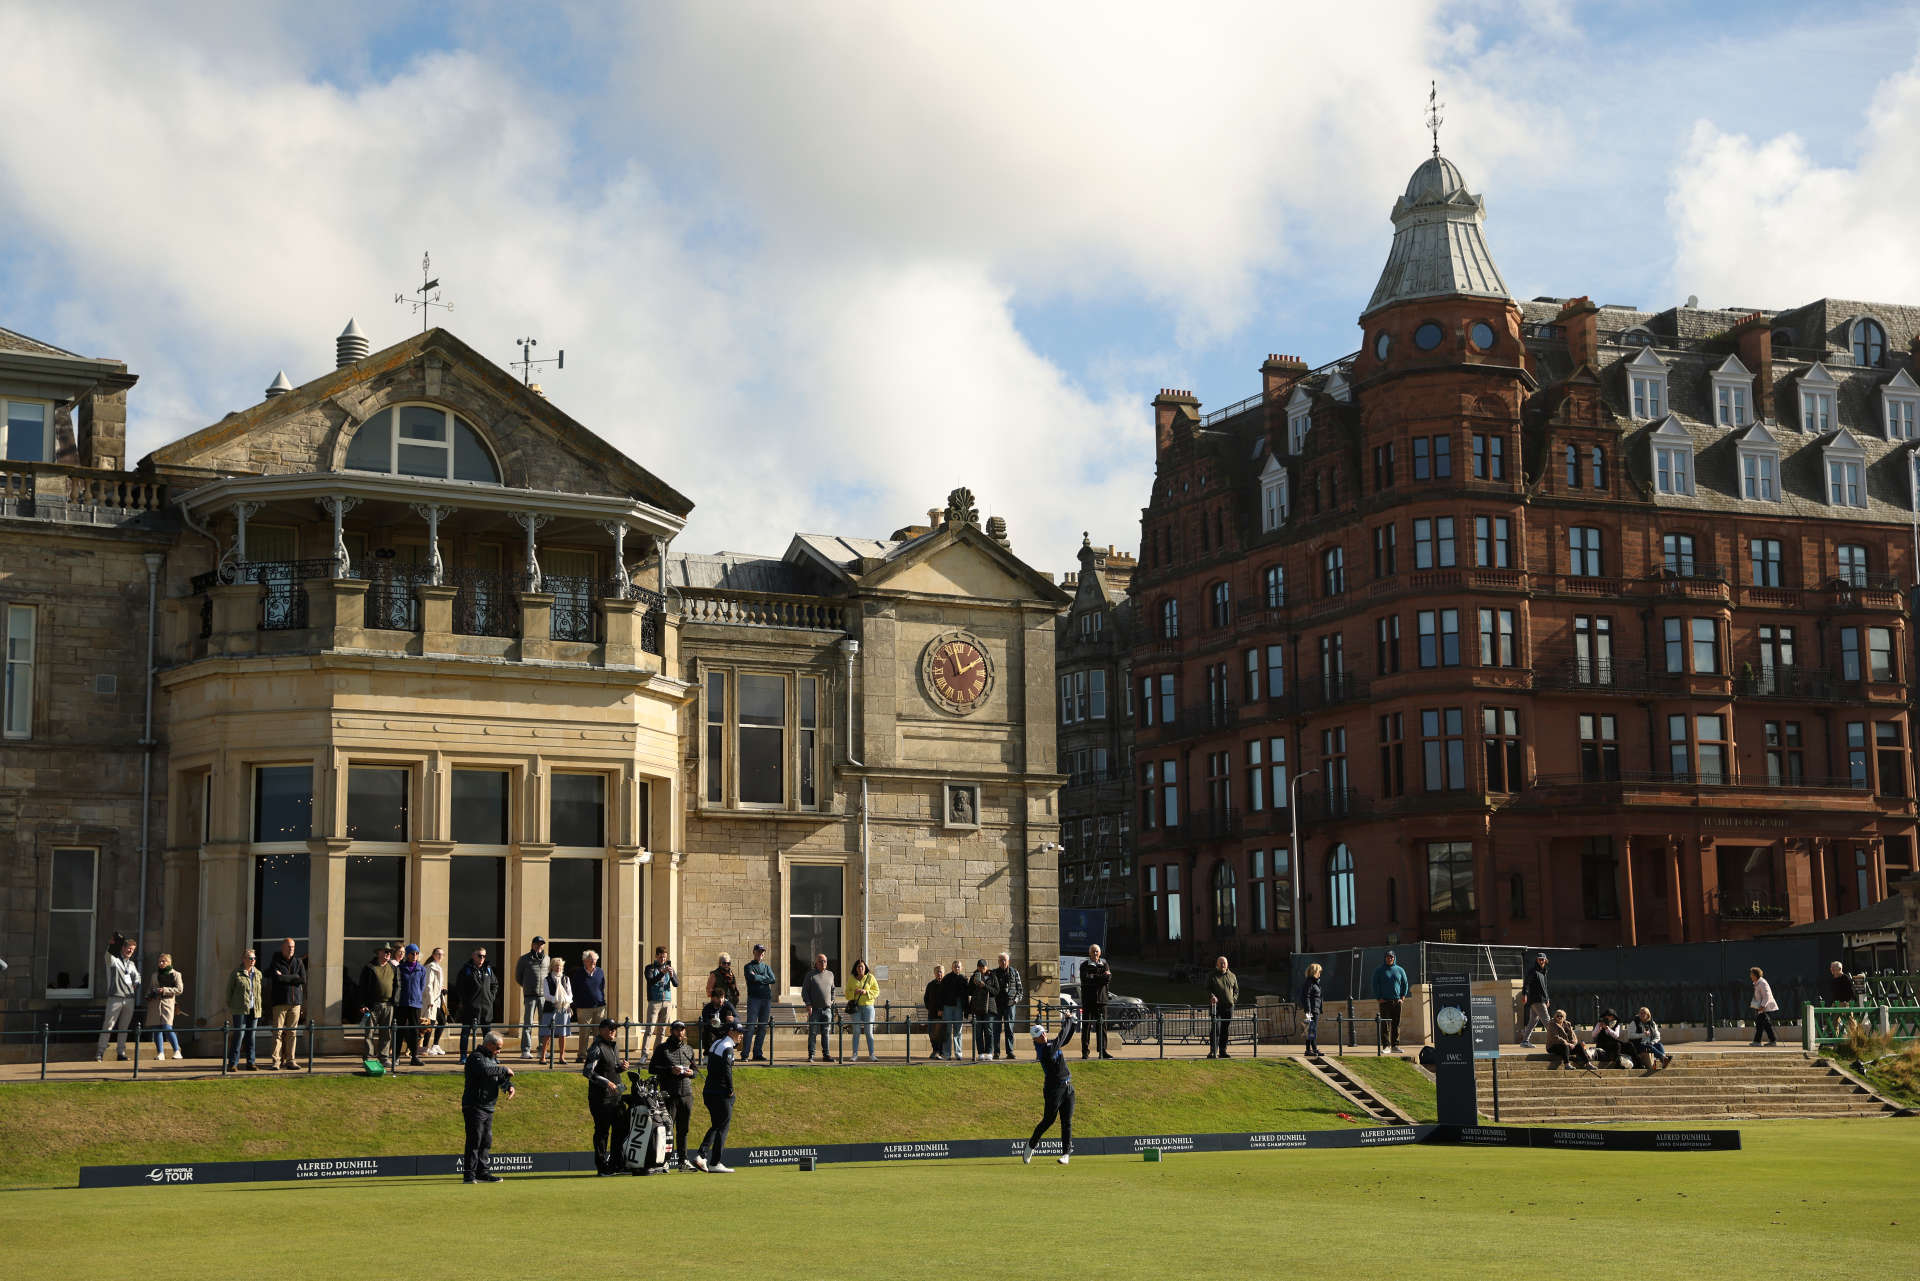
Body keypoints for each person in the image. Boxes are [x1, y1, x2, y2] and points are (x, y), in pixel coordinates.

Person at [1022, 1010, 1079, 1166]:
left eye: (1044, 1033)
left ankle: (1066, 1154)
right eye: (1040, 1035)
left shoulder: (1049, 1044)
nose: (1044, 1036)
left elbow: (1064, 1039)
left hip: (1068, 1086)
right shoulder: (1045, 1050)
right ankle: (1030, 1146)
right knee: (1048, 1120)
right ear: (1035, 1039)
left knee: (1066, 1121)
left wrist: (1072, 1023)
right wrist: (1067, 1020)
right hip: (1053, 1090)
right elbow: (1061, 1038)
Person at [461, 1031, 516, 1182]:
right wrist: (504, 1069)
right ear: (489, 1044)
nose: (499, 1051)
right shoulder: (476, 1057)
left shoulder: (493, 1059)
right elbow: (485, 1071)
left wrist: (508, 1086)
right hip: (474, 1105)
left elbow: (499, 1078)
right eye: (498, 1047)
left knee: (486, 1140)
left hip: (488, 1106)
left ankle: (482, 1172)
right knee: (475, 1139)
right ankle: (469, 1174)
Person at [691, 1015, 739, 1173]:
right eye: (739, 1032)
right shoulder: (728, 1046)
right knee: (721, 1125)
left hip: (709, 1091)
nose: (741, 1035)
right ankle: (709, 1159)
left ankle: (709, 1159)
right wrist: (731, 1088)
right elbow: (726, 1069)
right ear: (731, 1032)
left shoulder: (717, 1043)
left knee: (717, 1124)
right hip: (721, 1092)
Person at [648, 1019, 698, 1170]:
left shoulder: (689, 1049)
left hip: (686, 1094)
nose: (680, 1032)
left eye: (682, 1029)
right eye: (677, 1029)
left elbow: (695, 1071)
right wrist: (670, 1070)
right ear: (671, 1031)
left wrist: (691, 1073)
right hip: (669, 1094)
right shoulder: (662, 1049)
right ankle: (664, 1162)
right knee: (667, 1130)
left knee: (684, 1130)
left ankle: (683, 1161)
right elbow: (652, 1068)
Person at [582, 1017, 629, 1174]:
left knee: (620, 1129)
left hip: (616, 1097)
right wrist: (606, 1082)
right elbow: (588, 1072)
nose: (613, 1031)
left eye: (614, 1029)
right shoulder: (596, 1047)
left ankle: (616, 1163)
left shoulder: (614, 1046)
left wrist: (621, 1068)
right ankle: (602, 1166)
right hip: (601, 1097)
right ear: (601, 1030)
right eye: (610, 1028)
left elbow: (610, 1068)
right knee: (602, 1132)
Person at [96, 936, 140, 1062]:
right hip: (115, 997)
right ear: (123, 948)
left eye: (133, 950)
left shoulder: (131, 964)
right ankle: (100, 1052)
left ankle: (121, 1052)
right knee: (108, 1025)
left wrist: (136, 983)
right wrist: (111, 945)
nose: (130, 951)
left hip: (129, 999)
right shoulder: (114, 960)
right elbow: (108, 955)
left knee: (124, 1027)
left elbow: (137, 976)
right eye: (129, 949)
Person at [266, 937, 306, 1070]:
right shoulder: (275, 961)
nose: (291, 949)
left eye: (293, 947)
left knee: (292, 1033)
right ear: (283, 948)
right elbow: (276, 978)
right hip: (280, 1002)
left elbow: (303, 980)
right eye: (289, 947)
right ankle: (276, 1061)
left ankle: (291, 1060)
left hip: (295, 1003)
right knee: (277, 1032)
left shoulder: (299, 961)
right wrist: (294, 977)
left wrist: (285, 977)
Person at [453, 947, 500, 1058]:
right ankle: (463, 1056)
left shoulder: (488, 969)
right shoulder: (466, 969)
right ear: (473, 956)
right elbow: (460, 987)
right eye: (479, 955)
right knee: (465, 1033)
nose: (482, 958)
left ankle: (489, 1057)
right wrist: (466, 1001)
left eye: (484, 956)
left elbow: (495, 984)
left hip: (486, 1008)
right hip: (470, 1008)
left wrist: (491, 997)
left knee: (488, 1035)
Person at [225, 949, 264, 1071]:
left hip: (254, 1009)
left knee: (251, 1036)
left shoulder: (258, 973)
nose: (253, 960)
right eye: (250, 958)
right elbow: (228, 992)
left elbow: (259, 992)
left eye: (254, 958)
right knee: (239, 1035)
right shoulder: (236, 973)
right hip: (240, 1009)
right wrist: (233, 1006)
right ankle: (233, 1063)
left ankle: (251, 1062)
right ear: (244, 959)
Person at [359, 943, 397, 1063]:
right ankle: (369, 1058)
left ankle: (384, 1057)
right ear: (378, 953)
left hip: (388, 1005)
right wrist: (363, 1004)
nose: (388, 954)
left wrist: (395, 1001)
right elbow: (362, 988)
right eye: (385, 951)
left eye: (389, 952)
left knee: (386, 1034)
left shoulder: (393, 968)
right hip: (372, 1006)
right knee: (369, 1033)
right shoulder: (369, 967)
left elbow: (398, 986)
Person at [515, 936, 549, 1060]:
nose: (539, 946)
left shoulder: (547, 959)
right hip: (530, 996)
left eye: (541, 944)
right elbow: (518, 977)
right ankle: (525, 1050)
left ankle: (542, 1050)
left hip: (543, 996)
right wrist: (527, 986)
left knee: (543, 1024)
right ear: (533, 945)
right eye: (537, 944)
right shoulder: (524, 959)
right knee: (528, 1023)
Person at [395, 944, 429, 1066]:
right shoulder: (400, 968)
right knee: (399, 1030)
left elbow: (421, 986)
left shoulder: (421, 969)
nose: (415, 956)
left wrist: (417, 997)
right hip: (402, 1003)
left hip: (415, 1004)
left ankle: (414, 1057)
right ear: (407, 954)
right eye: (412, 953)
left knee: (414, 1031)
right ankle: (396, 1056)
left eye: (416, 953)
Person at [742, 943, 777, 1062]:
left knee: (762, 1028)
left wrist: (759, 977)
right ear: (754, 952)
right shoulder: (748, 966)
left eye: (762, 952)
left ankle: (757, 1053)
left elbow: (773, 979)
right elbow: (752, 978)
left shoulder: (766, 967)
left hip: (766, 1000)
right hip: (754, 999)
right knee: (750, 1027)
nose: (761, 954)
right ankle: (745, 1054)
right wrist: (764, 978)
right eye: (758, 951)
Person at [147, 953, 185, 1061]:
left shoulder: (176, 974)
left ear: (169, 962)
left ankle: (177, 1051)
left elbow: (179, 989)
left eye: (164, 961)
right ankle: (160, 1053)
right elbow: (150, 988)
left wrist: (165, 990)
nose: (161, 963)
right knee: (156, 1029)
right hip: (155, 1004)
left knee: (167, 1028)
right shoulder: (154, 975)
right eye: (159, 961)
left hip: (168, 1004)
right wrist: (149, 994)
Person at [572, 950, 607, 1063]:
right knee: (584, 1032)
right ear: (585, 961)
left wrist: (601, 1000)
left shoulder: (600, 972)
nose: (593, 962)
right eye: (591, 960)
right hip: (584, 1008)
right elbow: (574, 990)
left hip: (599, 1007)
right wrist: (577, 1004)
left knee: (599, 1033)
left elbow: (602, 987)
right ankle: (582, 1055)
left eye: (595, 960)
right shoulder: (578, 973)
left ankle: (597, 1055)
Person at [1371, 950, 1410, 1051]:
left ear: (1394, 958)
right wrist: (1379, 998)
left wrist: (1402, 997)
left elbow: (1405, 983)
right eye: (1388, 957)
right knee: (1385, 1025)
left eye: (1391, 957)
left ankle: (1395, 1046)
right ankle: (1386, 1046)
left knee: (1396, 1024)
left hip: (1397, 1001)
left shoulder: (1400, 970)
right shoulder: (1379, 970)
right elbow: (1375, 984)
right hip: (1384, 1002)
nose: (1390, 959)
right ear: (1385, 958)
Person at [642, 946, 677, 1055]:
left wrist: (671, 975)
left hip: (667, 1001)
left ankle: (657, 1054)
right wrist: (662, 972)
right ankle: (644, 1054)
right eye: (661, 957)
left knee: (662, 1031)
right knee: (649, 1029)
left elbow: (676, 984)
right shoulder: (650, 968)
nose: (663, 959)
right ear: (656, 956)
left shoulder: (669, 967)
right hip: (654, 1002)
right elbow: (651, 981)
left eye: (665, 957)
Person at [1077, 945, 1111, 1060]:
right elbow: (1086, 979)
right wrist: (1100, 977)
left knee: (1102, 1026)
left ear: (1100, 953)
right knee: (1086, 1027)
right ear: (1089, 953)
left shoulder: (1104, 964)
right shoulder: (1084, 965)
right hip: (1088, 1001)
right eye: (1093, 951)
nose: (1095, 953)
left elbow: (1108, 979)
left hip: (1102, 1001)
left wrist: (1094, 977)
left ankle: (1102, 1051)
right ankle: (1085, 1052)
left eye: (1097, 951)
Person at [538, 955, 573, 1064]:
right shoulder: (547, 979)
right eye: (556, 966)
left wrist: (565, 1000)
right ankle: (543, 1056)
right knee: (547, 1034)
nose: (558, 968)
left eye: (560, 966)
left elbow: (570, 994)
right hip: (550, 1009)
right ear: (552, 967)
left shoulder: (566, 979)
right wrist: (558, 999)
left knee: (562, 1034)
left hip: (563, 1008)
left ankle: (561, 1057)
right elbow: (547, 996)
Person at [991, 952, 1026, 1060]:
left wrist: (1015, 1001)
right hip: (997, 1005)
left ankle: (1010, 1051)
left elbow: (1020, 991)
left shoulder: (1014, 972)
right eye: (1001, 960)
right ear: (998, 961)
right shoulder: (994, 973)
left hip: (1010, 1005)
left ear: (1008, 961)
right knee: (996, 1030)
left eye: (1004, 960)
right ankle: (996, 1052)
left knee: (1009, 1029)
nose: (1003, 962)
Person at [803, 952, 836, 1062]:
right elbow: (805, 992)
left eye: (825, 961)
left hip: (827, 1009)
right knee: (813, 1033)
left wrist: (832, 1000)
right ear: (816, 963)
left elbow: (833, 989)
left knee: (826, 1033)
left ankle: (826, 1055)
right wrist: (808, 1004)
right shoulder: (810, 975)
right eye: (820, 961)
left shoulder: (830, 974)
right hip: (815, 1010)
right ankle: (811, 1055)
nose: (823, 963)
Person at [1206, 955, 1239, 1058]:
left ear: (1227, 964)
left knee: (1225, 1030)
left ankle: (1223, 1051)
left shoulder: (1232, 976)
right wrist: (1212, 996)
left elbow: (1236, 990)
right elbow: (1207, 989)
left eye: (1224, 963)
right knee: (1216, 1029)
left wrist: (1233, 1000)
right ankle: (1213, 1051)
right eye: (1220, 963)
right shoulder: (1212, 975)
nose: (1222, 965)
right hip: (1216, 1007)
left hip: (1228, 1007)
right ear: (1217, 964)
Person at [847, 959, 878, 1060]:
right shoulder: (851, 979)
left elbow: (877, 991)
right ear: (855, 968)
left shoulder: (870, 977)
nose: (860, 969)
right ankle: (855, 1054)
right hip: (856, 1008)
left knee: (869, 1031)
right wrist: (854, 993)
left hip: (868, 1007)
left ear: (865, 968)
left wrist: (866, 992)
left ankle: (872, 1054)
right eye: (858, 967)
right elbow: (847, 993)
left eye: (862, 967)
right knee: (856, 1031)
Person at [940, 958, 969, 1060]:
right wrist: (941, 1008)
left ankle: (958, 1053)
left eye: (958, 966)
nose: (957, 968)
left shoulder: (963, 979)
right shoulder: (946, 978)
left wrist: (966, 1010)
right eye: (955, 966)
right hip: (948, 1006)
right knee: (947, 1030)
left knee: (958, 1031)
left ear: (961, 968)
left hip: (959, 1006)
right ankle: (947, 1053)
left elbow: (966, 996)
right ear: (952, 967)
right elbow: (941, 995)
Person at [1519, 952, 1550, 1047]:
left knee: (1532, 1021)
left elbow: (1544, 987)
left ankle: (1525, 1041)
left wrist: (1547, 999)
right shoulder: (1533, 971)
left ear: (1545, 960)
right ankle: (1557, 1039)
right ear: (1537, 960)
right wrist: (1524, 994)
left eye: (1542, 959)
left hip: (1541, 999)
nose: (1541, 961)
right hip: (1537, 1000)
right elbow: (1526, 983)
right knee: (1547, 1021)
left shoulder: (1543, 971)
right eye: (1539, 959)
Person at [423, 946, 449, 1056]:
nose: (440, 956)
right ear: (433, 955)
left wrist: (442, 988)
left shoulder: (438, 967)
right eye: (438, 954)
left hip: (438, 999)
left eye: (442, 954)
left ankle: (435, 1045)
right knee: (431, 1023)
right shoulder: (431, 967)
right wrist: (430, 1000)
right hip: (432, 1000)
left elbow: (435, 984)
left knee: (442, 1021)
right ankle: (425, 1047)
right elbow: (428, 984)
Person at [968, 959, 995, 1059]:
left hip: (989, 1007)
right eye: (979, 967)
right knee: (978, 1031)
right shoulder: (974, 976)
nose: (981, 969)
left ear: (986, 967)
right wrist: (973, 984)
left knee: (988, 1030)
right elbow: (969, 991)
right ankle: (980, 1053)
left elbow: (996, 991)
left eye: (983, 967)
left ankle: (989, 1052)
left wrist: (985, 986)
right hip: (977, 1007)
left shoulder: (992, 976)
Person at [698, 990, 738, 1055]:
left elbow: (737, 1018)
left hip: (725, 1031)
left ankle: (728, 1055)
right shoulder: (707, 1008)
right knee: (707, 1033)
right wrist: (710, 1021)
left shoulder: (728, 1005)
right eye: (718, 998)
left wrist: (733, 1019)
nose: (721, 1000)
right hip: (712, 1031)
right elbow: (704, 1020)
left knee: (734, 1032)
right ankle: (707, 1055)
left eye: (722, 997)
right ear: (712, 998)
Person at [1749, 966, 1780, 1046]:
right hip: (1761, 1007)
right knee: (1766, 1025)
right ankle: (1772, 1041)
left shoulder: (1762, 983)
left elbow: (1767, 996)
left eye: (1751, 974)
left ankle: (1757, 1041)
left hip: (1765, 1007)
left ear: (1755, 975)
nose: (1750, 976)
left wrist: (1762, 1007)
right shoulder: (1757, 983)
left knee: (1760, 1024)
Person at [923, 964, 949, 1059]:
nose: (939, 973)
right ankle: (935, 1050)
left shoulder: (946, 984)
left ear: (944, 972)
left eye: (941, 971)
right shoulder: (930, 985)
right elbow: (926, 998)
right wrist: (930, 1008)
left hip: (942, 1014)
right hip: (932, 1013)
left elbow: (946, 999)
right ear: (934, 973)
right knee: (931, 1033)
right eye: (937, 972)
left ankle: (940, 1052)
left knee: (940, 1033)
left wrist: (941, 1009)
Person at [1299, 962, 1324, 1056]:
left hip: (1314, 1010)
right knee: (1311, 1030)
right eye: (1319, 972)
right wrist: (1308, 1011)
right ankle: (1313, 1049)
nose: (1320, 974)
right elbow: (1306, 996)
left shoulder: (1314, 982)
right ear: (1315, 972)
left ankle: (1309, 1050)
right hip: (1311, 1010)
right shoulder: (1309, 982)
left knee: (1310, 1030)